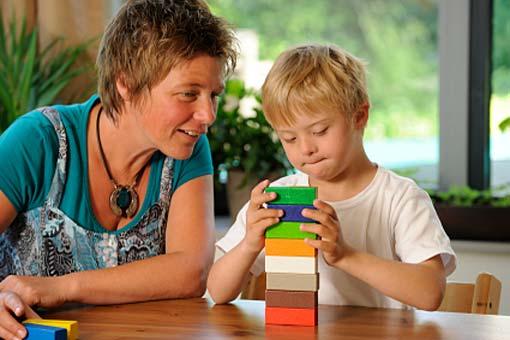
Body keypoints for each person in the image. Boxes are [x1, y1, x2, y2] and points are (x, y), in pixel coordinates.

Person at [0, 0, 237, 338]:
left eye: (213, 95)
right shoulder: (37, 140)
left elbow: (191, 272)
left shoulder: (188, 147)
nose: (208, 115)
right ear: (125, 84)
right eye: (188, 94)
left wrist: (60, 287)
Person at [207, 44, 456, 310]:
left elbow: (429, 294)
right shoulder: (279, 199)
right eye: (288, 138)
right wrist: (248, 245)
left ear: (359, 116)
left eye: (320, 130)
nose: (306, 148)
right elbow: (218, 292)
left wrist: (345, 255)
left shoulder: (400, 197)